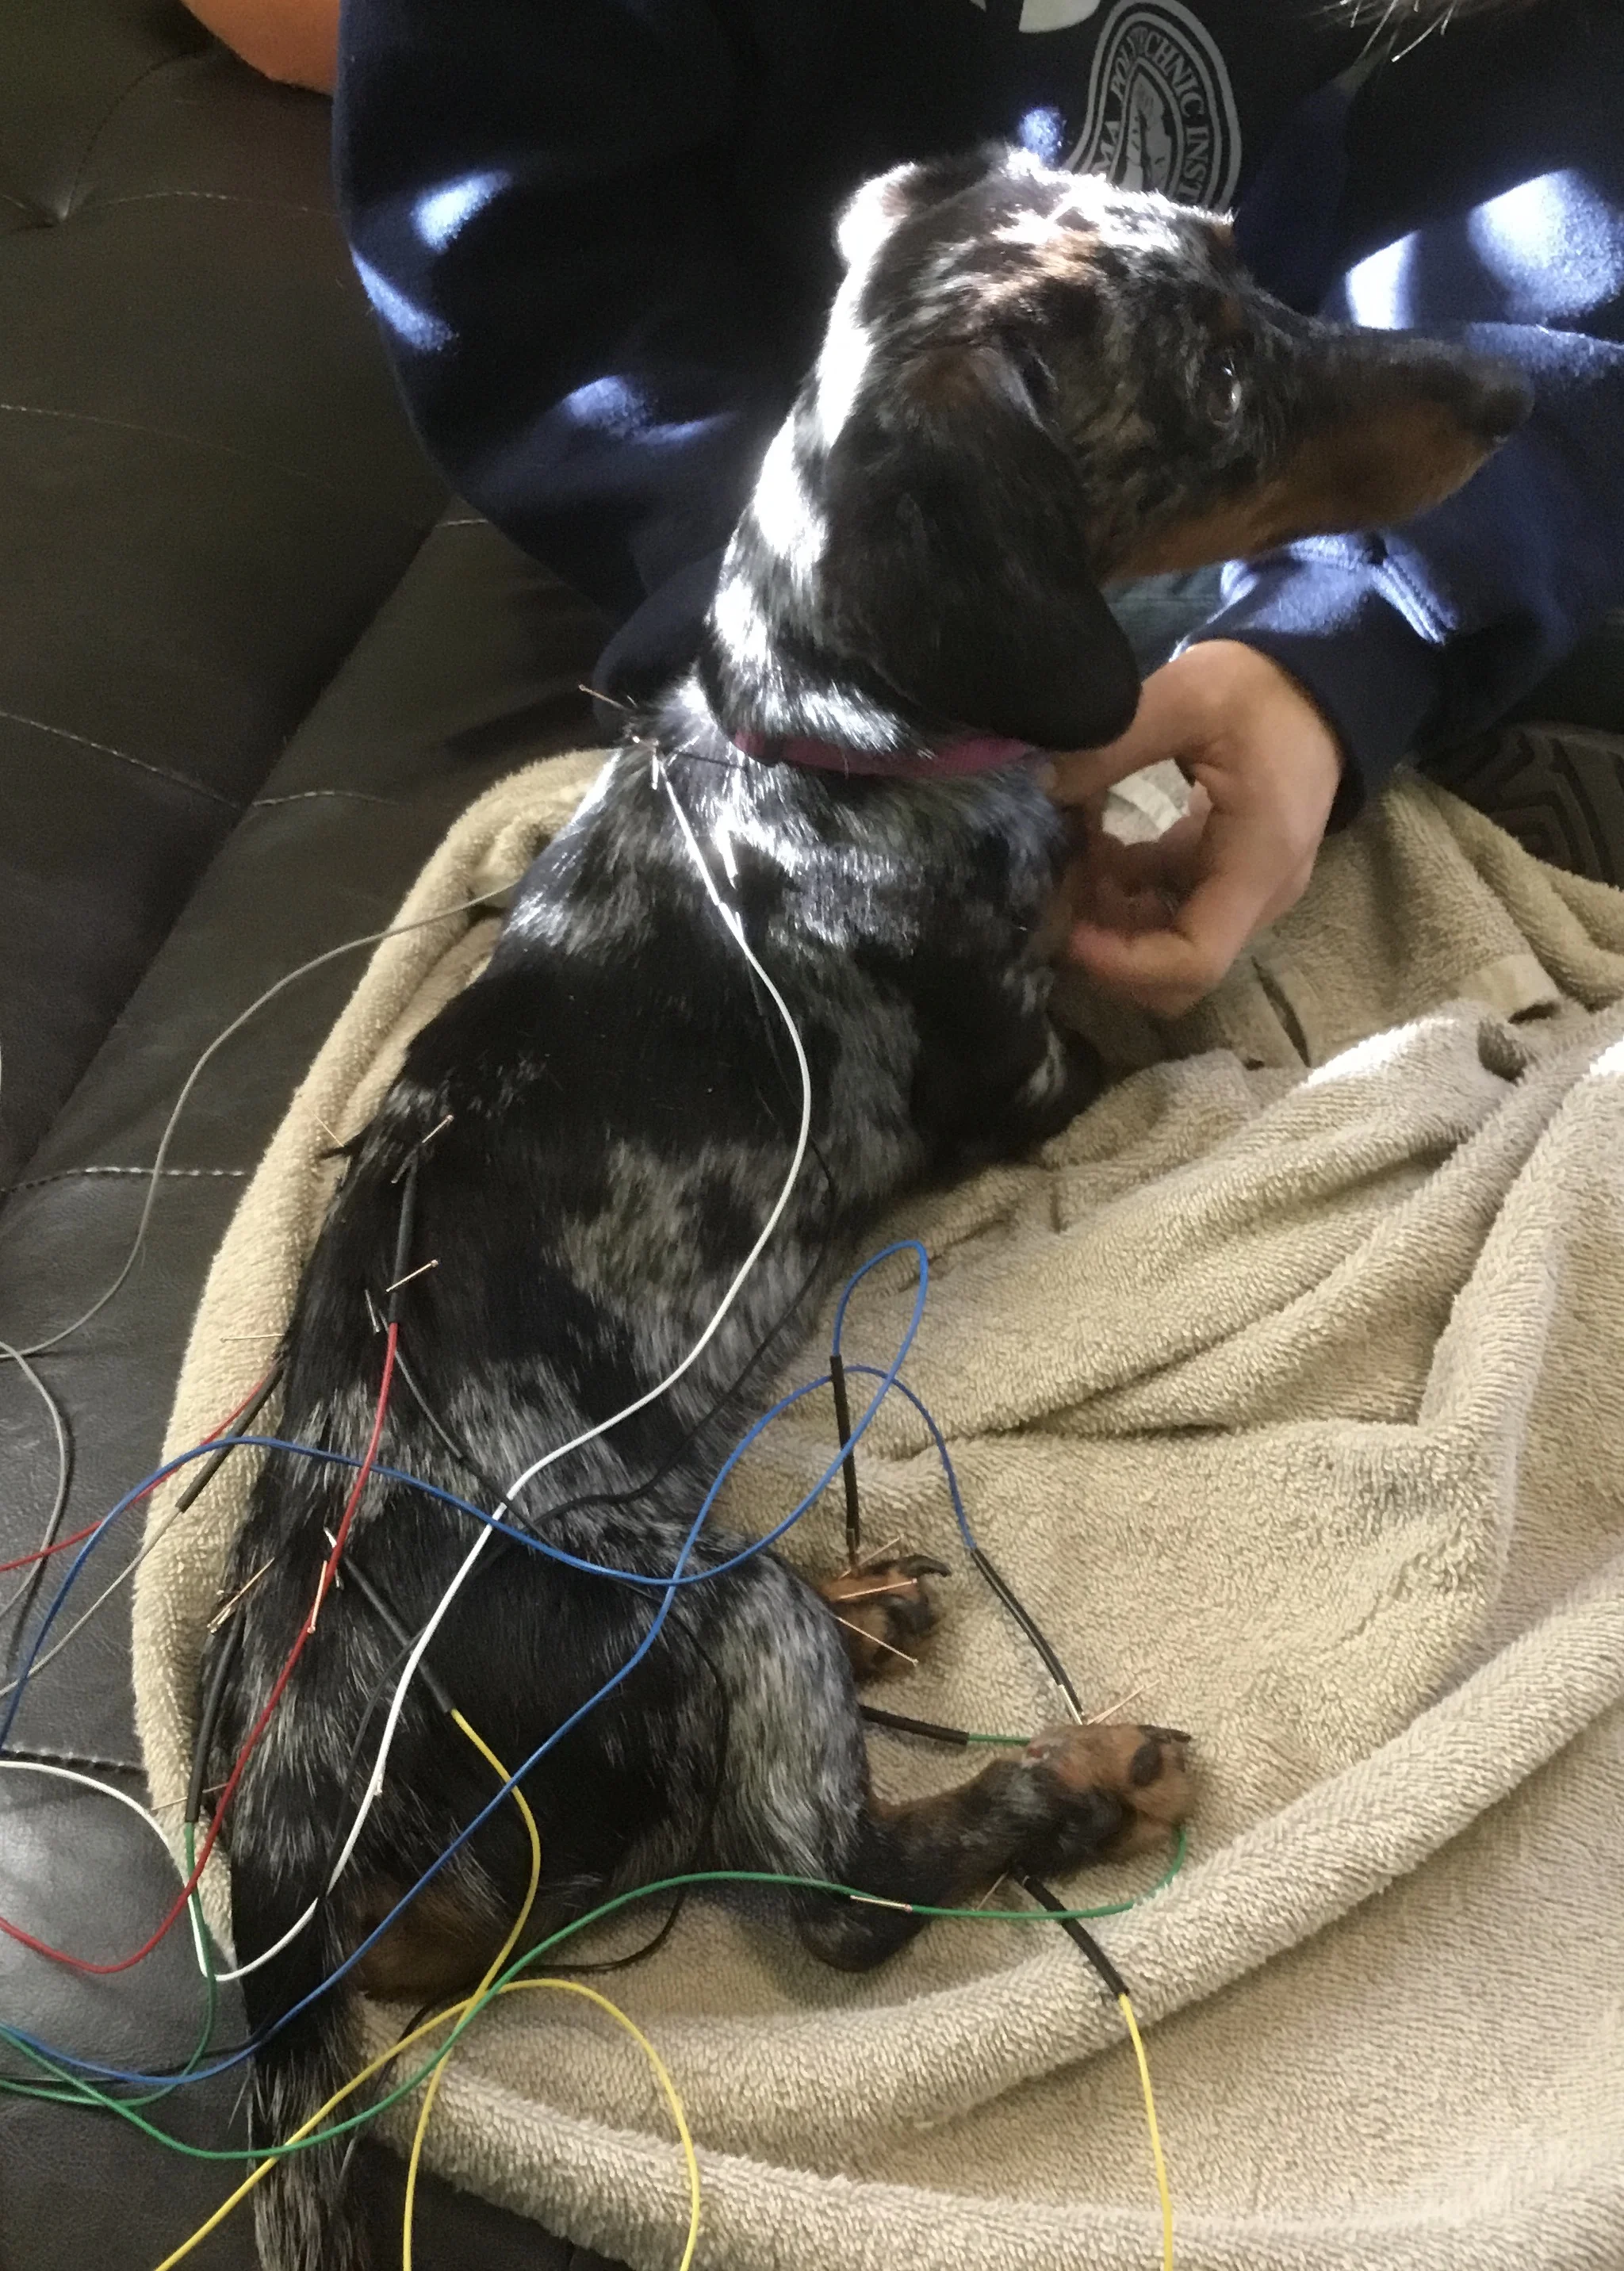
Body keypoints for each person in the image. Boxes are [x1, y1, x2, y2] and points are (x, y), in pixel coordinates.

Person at [334, 0, 1624, 1014]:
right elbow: (531, 273)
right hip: (799, 565)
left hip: (1318, 431)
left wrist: (1345, 645)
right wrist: (812, 649)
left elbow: (1566, 133)